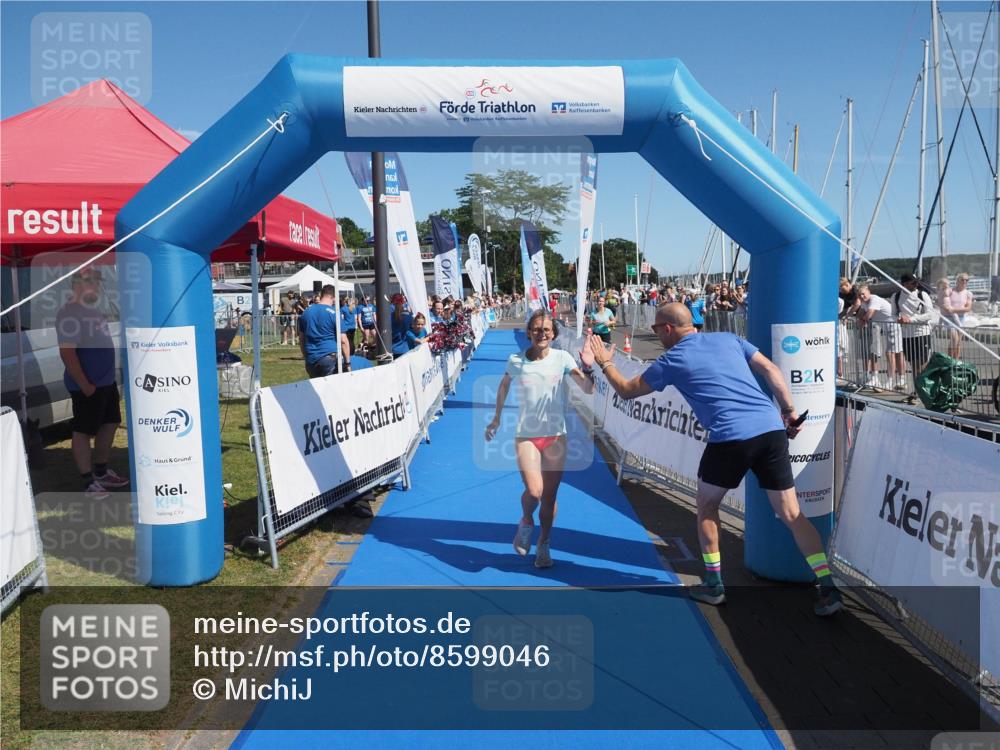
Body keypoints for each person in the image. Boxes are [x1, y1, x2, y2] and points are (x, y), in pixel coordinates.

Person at [589, 303, 842, 616]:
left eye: (656, 329)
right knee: (792, 513)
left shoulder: (673, 359)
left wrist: (605, 364)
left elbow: (627, 391)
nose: (656, 334)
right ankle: (828, 587)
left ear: (667, 329)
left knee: (707, 506)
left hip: (730, 438)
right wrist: (789, 411)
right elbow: (772, 370)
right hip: (771, 429)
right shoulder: (729, 339)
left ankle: (713, 584)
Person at [485, 310, 596, 568]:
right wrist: (496, 418)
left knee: (549, 497)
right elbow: (503, 386)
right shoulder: (516, 360)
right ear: (528, 333)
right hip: (526, 435)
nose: (542, 334)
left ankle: (544, 543)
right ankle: (526, 520)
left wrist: (588, 366)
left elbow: (587, 388)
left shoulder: (562, 358)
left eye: (546, 330)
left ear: (554, 334)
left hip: (556, 436)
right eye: (536, 329)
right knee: (535, 491)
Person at [56, 268, 130, 499]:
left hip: (105, 383)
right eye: (93, 282)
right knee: (83, 430)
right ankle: (89, 481)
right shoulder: (69, 314)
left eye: (98, 282)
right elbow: (67, 353)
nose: (98, 286)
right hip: (87, 386)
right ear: (78, 284)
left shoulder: (93, 310)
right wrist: (84, 383)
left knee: (110, 423)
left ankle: (101, 471)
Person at [894, 273, 938, 401]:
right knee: (914, 365)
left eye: (916, 282)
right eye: (912, 283)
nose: (916, 285)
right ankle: (918, 390)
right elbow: (893, 315)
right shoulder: (896, 296)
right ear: (904, 284)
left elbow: (930, 314)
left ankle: (923, 391)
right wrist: (899, 319)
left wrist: (911, 319)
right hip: (906, 335)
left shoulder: (922, 295)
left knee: (922, 364)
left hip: (922, 333)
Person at [856, 283, 902, 390]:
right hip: (885, 327)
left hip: (893, 325)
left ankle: (891, 381)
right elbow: (860, 314)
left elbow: (869, 314)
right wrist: (861, 317)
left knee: (891, 353)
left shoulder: (874, 299)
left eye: (863, 294)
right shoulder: (864, 302)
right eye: (859, 295)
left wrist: (862, 320)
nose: (862, 297)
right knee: (892, 353)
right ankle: (890, 379)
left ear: (868, 292)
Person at [298, 285, 349, 377]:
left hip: (311, 359)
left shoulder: (306, 313)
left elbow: (301, 339)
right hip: (329, 358)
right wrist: (347, 363)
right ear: (333, 297)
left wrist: (306, 357)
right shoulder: (335, 313)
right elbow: (343, 341)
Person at [942, 274, 974, 360]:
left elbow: (968, 308)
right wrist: (953, 310)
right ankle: (949, 360)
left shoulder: (968, 293)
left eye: (967, 280)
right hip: (949, 317)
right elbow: (944, 305)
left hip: (961, 318)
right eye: (962, 279)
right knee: (954, 338)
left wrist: (953, 310)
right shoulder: (950, 291)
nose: (964, 281)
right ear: (957, 280)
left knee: (958, 341)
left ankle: (955, 361)